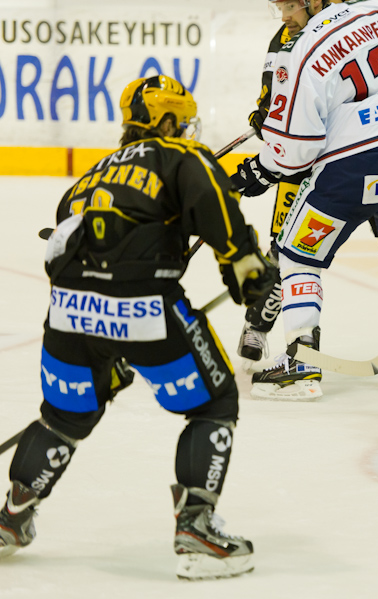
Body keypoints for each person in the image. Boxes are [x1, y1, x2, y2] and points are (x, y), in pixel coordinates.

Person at [0, 75, 277, 580]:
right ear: (167, 121)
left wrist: (105, 349)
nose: (187, 130)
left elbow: (62, 252)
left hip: (67, 314)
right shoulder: (181, 157)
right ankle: (195, 527)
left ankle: (11, 518)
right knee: (214, 404)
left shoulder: (87, 179)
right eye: (182, 122)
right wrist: (247, 269)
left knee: (63, 415)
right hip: (145, 307)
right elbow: (215, 206)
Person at [231, 0, 378, 400]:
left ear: (315, 0)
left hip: (351, 170)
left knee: (296, 257)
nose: (284, 16)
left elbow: (296, 150)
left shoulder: (304, 48)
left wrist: (256, 171)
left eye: (291, 5)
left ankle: (302, 364)